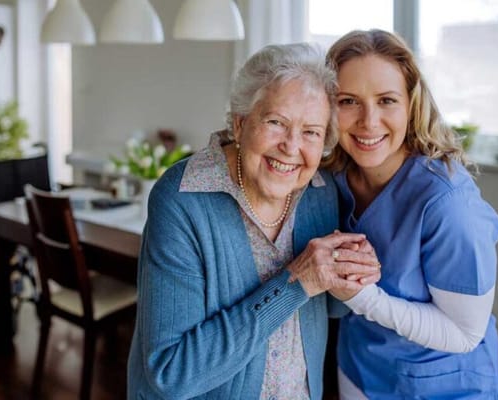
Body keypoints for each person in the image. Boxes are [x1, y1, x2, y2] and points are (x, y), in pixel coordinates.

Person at [126, 43, 382, 399]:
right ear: (241, 122)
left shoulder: (319, 191)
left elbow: (330, 308)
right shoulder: (183, 198)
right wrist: (296, 283)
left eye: (311, 132)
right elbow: (171, 373)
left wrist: (350, 268)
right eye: (277, 122)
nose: (292, 147)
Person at [324, 29, 498, 398]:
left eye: (387, 100)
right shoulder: (333, 178)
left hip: (443, 382)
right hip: (360, 367)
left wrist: (362, 297)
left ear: (411, 103)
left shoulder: (449, 204)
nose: (368, 122)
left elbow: (464, 334)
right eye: (348, 101)